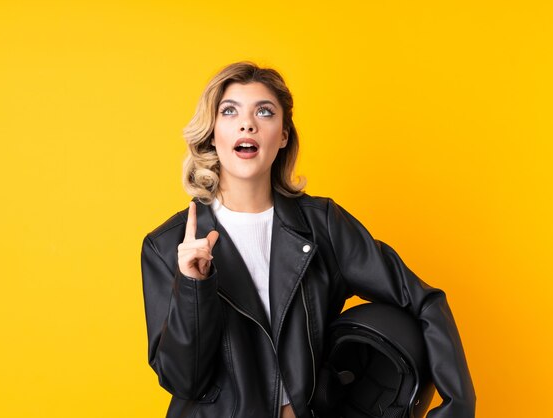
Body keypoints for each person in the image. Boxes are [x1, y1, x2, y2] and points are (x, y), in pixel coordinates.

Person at [141, 61, 476, 418]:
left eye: (265, 112)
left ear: (283, 135)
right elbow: (184, 381)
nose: (247, 123)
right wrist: (195, 286)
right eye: (229, 111)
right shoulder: (166, 246)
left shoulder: (322, 224)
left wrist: (457, 406)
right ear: (211, 133)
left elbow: (423, 300)